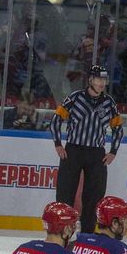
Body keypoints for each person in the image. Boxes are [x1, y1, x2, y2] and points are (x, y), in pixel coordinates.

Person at [51, 65, 122, 232]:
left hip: (96, 153)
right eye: (98, 79)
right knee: (65, 193)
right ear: (90, 79)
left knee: (94, 196)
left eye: (104, 79)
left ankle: (88, 233)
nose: (101, 83)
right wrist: (58, 144)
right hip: (73, 150)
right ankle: (61, 230)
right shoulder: (75, 98)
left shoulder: (109, 103)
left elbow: (118, 128)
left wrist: (113, 151)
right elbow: (56, 120)